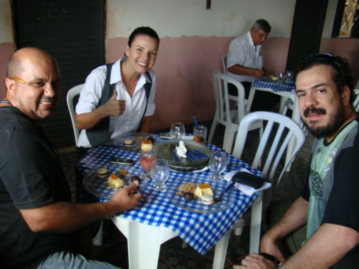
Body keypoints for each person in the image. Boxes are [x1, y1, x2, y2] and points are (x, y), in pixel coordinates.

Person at [0, 47, 143, 268]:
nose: (50, 92)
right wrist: (112, 207)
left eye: (55, 83)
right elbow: (40, 218)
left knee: (90, 222)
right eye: (39, 83)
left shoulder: (19, 121)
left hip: (49, 241)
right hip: (34, 259)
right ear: (11, 85)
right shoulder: (14, 134)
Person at [235, 53, 359, 268]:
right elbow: (310, 195)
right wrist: (269, 237)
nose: (309, 103)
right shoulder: (326, 135)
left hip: (346, 258)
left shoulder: (353, 148)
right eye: (302, 94)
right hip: (321, 228)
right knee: (276, 211)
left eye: (320, 90)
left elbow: (343, 236)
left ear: (345, 94)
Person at [75, 26, 159, 158]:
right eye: (139, 50)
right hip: (95, 150)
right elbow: (79, 122)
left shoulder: (150, 78)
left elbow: (146, 119)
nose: (145, 57)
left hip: (129, 149)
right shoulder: (100, 76)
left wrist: (142, 150)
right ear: (127, 50)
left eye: (152, 53)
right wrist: (104, 110)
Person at [227, 19, 279, 112]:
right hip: (237, 86)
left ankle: (248, 115)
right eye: (261, 36)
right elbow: (231, 67)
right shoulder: (240, 43)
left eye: (266, 37)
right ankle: (247, 119)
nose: (263, 39)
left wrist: (264, 74)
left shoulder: (257, 45)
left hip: (252, 84)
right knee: (268, 100)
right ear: (252, 31)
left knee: (277, 96)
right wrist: (252, 71)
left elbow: (260, 65)